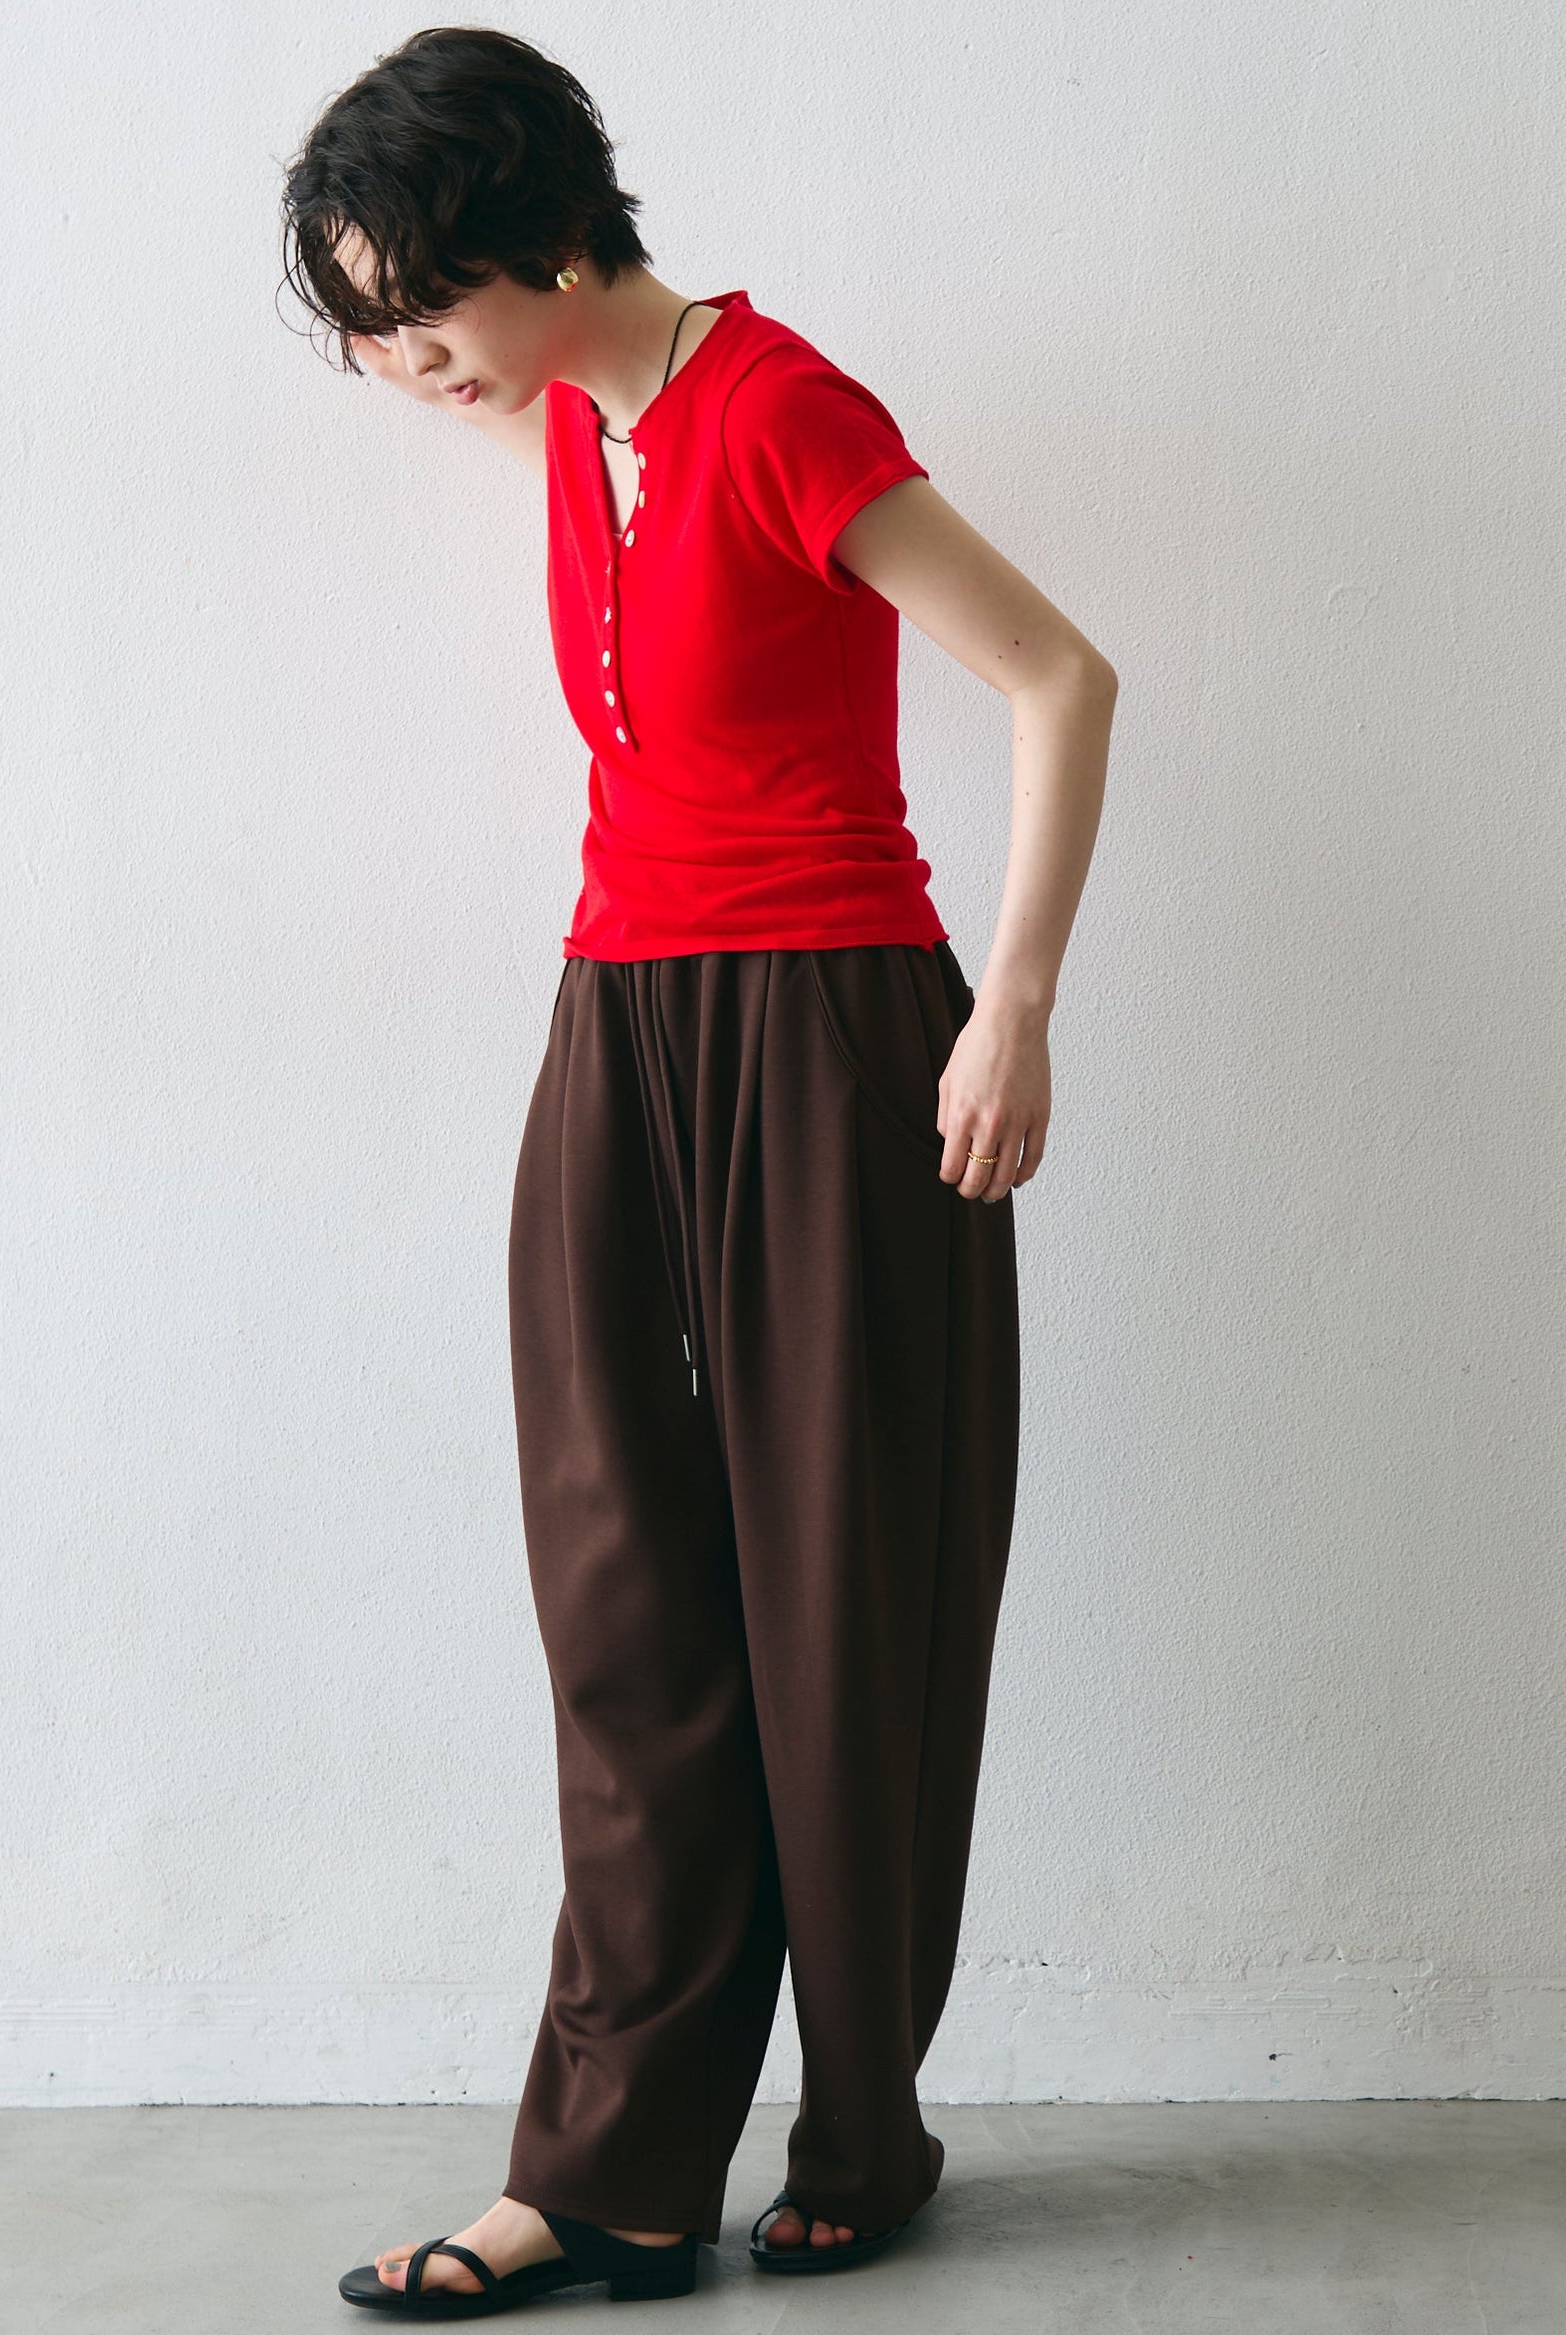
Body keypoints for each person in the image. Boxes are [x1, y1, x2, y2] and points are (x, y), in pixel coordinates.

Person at [280, 26, 1116, 2317]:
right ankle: (613, 2174)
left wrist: (1015, 1007)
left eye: (419, 310)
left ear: (552, 241)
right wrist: (414, 323)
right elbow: (490, 393)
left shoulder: (778, 409)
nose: (402, 363)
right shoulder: (571, 412)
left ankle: (863, 2125)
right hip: (616, 1021)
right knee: (622, 1594)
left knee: (843, 1601)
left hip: (839, 1033)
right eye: (366, 323)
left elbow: (1060, 676)